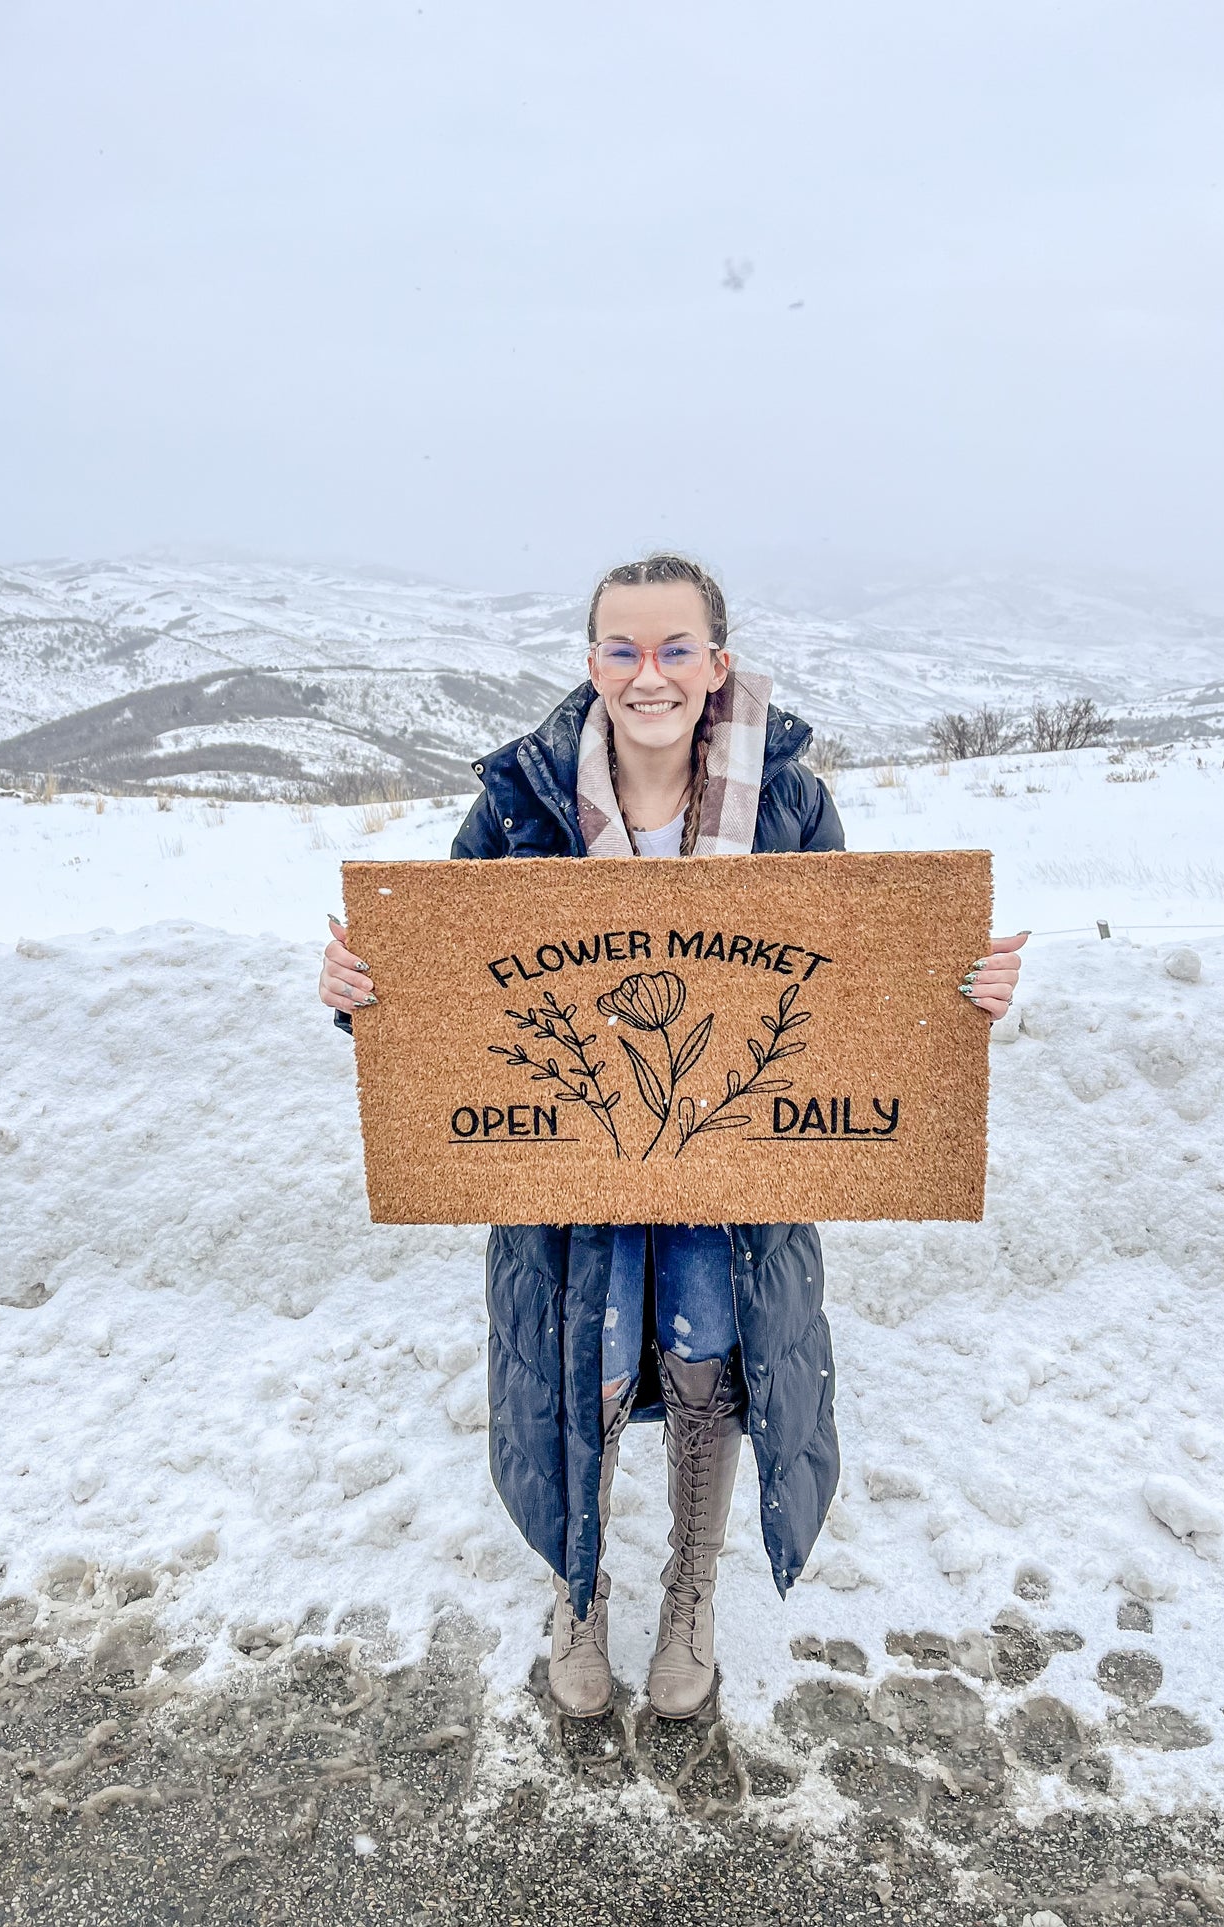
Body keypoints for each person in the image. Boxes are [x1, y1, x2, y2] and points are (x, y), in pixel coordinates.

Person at [319, 554, 1024, 1721]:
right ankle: (578, 1588)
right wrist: (360, 986)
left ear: (717, 661)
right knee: (577, 1364)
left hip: (734, 1162)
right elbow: (440, 986)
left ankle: (689, 1589)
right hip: (565, 1163)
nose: (647, 675)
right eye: (620, 649)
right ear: (589, 660)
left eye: (673, 649)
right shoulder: (516, 802)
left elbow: (855, 978)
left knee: (712, 1356)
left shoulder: (788, 802)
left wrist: (957, 992)